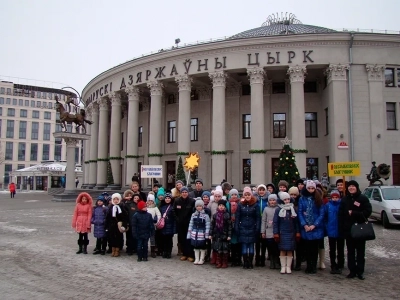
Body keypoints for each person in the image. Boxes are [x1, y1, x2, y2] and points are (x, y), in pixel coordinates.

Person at [339, 180, 372, 280]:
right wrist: (342, 227)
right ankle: (352, 270)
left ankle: (360, 271)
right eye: (349, 186)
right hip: (349, 230)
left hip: (360, 229)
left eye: (353, 186)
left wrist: (354, 213)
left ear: (356, 187)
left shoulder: (363, 198)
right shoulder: (345, 199)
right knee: (350, 251)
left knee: (360, 251)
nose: (351, 188)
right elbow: (341, 214)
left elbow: (368, 211)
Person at [298, 180, 325, 274]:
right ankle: (308, 266)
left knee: (314, 248)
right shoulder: (302, 198)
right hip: (306, 227)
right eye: (309, 188)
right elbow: (300, 212)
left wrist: (314, 225)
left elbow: (322, 214)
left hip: (316, 227)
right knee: (307, 248)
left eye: (312, 188)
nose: (310, 190)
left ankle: (313, 266)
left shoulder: (318, 199)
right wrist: (304, 224)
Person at [273, 192, 300, 274]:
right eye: (285, 199)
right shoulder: (278, 209)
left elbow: (296, 222)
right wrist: (276, 232)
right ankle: (283, 266)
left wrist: (298, 232)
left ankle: (288, 266)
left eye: (288, 199)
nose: (287, 201)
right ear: (282, 200)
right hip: (282, 232)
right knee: (282, 249)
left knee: (290, 250)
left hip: (291, 232)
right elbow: (275, 222)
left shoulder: (293, 209)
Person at [235, 186, 261, 269]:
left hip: (252, 227)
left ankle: (250, 261)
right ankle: (245, 261)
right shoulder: (240, 205)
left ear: (251, 195)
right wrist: (237, 226)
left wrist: (257, 227)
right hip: (243, 227)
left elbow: (258, 217)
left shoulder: (255, 205)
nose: (247, 196)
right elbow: (238, 216)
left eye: (248, 194)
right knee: (244, 245)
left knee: (251, 246)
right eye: (245, 195)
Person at [324, 190, 344, 274]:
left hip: (340, 230)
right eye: (333, 197)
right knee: (332, 249)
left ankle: (340, 264)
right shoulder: (328, 205)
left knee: (341, 249)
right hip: (331, 230)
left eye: (336, 197)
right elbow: (325, 217)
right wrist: (327, 227)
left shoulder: (342, 205)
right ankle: (333, 264)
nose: (335, 199)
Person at [174, 186, 195, 261]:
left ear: (188, 193)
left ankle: (190, 254)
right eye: (183, 192)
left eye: (186, 192)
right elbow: (174, 211)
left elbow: (194, 211)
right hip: (180, 223)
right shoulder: (177, 201)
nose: (184, 193)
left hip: (189, 223)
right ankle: (184, 254)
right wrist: (177, 219)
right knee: (182, 239)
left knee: (189, 239)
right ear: (180, 193)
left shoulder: (192, 201)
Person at [187, 199, 211, 265]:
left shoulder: (205, 216)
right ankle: (197, 258)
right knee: (196, 246)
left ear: (202, 206)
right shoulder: (193, 215)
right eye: (197, 206)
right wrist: (189, 233)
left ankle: (202, 259)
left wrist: (206, 235)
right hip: (194, 233)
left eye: (200, 206)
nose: (199, 207)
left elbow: (207, 225)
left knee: (202, 247)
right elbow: (191, 224)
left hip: (202, 233)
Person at [209, 200, 231, 268]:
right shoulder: (215, 215)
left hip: (224, 234)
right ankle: (218, 262)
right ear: (218, 206)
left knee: (224, 249)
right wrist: (211, 234)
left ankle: (224, 262)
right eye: (220, 205)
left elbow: (229, 226)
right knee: (218, 249)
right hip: (217, 234)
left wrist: (229, 235)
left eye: (223, 206)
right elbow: (212, 225)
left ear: (225, 207)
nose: (221, 207)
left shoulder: (227, 215)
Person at [105, 193, 128, 257]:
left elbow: (125, 217)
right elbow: (107, 217)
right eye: (114, 199)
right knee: (112, 238)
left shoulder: (122, 207)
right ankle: (113, 250)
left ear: (119, 199)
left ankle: (117, 250)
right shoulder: (110, 207)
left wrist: (124, 225)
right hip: (112, 225)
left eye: (117, 199)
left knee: (118, 238)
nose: (115, 200)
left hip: (119, 225)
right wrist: (106, 226)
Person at [261, 194, 280, 269]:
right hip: (268, 230)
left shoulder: (278, 208)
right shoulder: (266, 209)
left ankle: (277, 261)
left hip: (276, 231)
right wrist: (263, 231)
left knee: (276, 247)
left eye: (273, 200)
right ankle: (272, 261)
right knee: (270, 247)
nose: (272, 202)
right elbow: (263, 220)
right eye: (270, 200)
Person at [255, 184, 270, 267]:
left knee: (264, 242)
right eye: (260, 190)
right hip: (257, 221)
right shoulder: (255, 199)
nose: (261, 192)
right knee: (257, 242)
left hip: (265, 222)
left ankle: (263, 259)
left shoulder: (267, 199)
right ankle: (257, 258)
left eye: (263, 190)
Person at [159, 193, 176, 258]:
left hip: (170, 226)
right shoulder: (162, 207)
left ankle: (169, 252)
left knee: (169, 240)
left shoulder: (173, 207)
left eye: (169, 198)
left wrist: (174, 229)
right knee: (164, 240)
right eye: (166, 198)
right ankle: (164, 252)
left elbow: (174, 219)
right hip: (163, 226)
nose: (167, 199)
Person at [145, 194, 161, 258]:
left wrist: (157, 221)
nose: (150, 202)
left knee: (152, 239)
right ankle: (145, 250)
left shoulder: (155, 207)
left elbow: (159, 214)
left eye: (151, 201)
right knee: (145, 238)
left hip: (152, 225)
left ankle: (152, 251)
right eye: (149, 200)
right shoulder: (145, 207)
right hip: (145, 225)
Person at [228, 189, 241, 266]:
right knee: (232, 244)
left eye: (235, 195)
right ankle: (233, 259)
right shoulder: (227, 204)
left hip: (238, 225)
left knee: (239, 244)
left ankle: (238, 259)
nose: (234, 196)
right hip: (230, 225)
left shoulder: (240, 203)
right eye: (232, 195)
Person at [122, 189, 135, 255]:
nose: (129, 197)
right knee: (128, 236)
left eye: (130, 195)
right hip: (127, 222)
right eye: (128, 195)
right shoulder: (124, 203)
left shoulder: (134, 203)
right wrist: (124, 199)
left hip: (133, 222)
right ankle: (129, 248)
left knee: (133, 236)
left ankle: (133, 248)